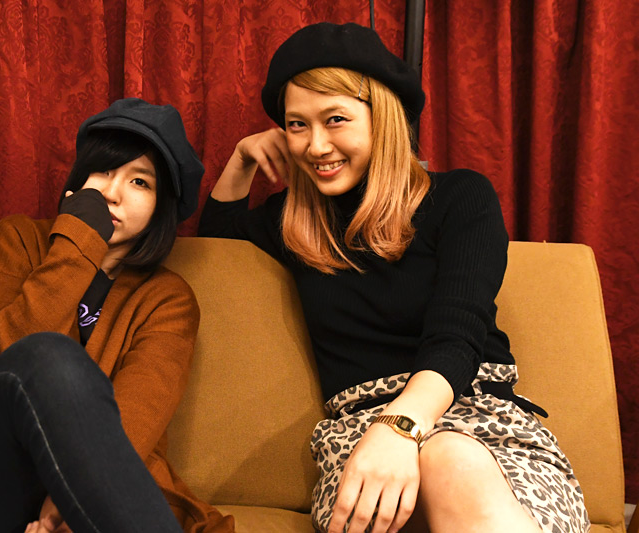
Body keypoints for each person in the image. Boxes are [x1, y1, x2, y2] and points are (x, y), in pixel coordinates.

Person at [199, 22, 589, 533]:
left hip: (477, 424)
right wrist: (242, 159)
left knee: (450, 459)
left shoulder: (460, 198)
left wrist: (400, 426)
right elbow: (217, 245)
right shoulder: (295, 221)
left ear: (382, 117)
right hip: (358, 440)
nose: (316, 146)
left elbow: (458, 335)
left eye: (335, 119)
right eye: (297, 125)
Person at [0, 98, 234, 533]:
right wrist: (79, 241)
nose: (111, 193)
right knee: (48, 355)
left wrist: (68, 499)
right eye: (102, 171)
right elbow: (1, 357)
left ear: (162, 207)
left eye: (139, 181)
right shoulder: (19, 240)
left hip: (89, 491)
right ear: (80, 179)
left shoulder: (168, 300)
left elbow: (139, 413)